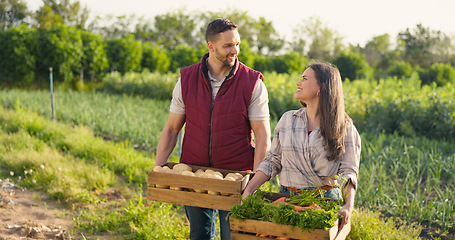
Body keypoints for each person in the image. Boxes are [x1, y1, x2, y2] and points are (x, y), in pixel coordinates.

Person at [155, 18, 271, 240]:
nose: (234, 50)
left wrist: (254, 183)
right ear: (210, 46)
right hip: (194, 174)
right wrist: (158, 171)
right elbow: (171, 129)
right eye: (228, 45)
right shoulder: (186, 80)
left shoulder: (252, 82)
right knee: (199, 235)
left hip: (236, 178)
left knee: (234, 236)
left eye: (237, 44)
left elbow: (263, 136)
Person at [242, 62, 361, 231]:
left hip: (324, 203)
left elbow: (349, 173)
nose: (298, 83)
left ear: (322, 87)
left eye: (304, 78)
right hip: (286, 200)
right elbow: (272, 161)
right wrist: (249, 189)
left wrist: (348, 205)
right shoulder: (287, 120)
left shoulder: (345, 127)